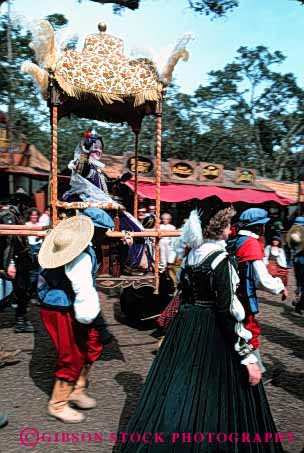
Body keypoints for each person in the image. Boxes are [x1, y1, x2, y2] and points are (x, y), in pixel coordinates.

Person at [120, 207, 283, 453]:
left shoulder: (192, 256)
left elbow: (183, 294)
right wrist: (248, 356)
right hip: (213, 328)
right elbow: (229, 310)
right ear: (219, 228)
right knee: (216, 389)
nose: (231, 229)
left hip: (186, 326)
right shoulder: (221, 260)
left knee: (181, 383)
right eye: (228, 225)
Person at [38, 214, 113, 423]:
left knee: (91, 345)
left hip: (64, 305)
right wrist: (99, 324)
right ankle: (58, 404)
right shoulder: (82, 255)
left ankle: (77, 389)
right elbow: (83, 291)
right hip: (62, 308)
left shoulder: (77, 248)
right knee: (71, 353)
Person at [229, 208, 288, 366]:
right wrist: (280, 286)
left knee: (237, 332)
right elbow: (261, 279)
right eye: (262, 225)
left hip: (231, 295)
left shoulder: (234, 240)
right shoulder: (251, 244)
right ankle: (254, 375)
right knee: (248, 333)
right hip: (243, 298)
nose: (264, 228)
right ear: (256, 227)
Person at [0, 194, 35, 333]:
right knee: (20, 291)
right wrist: (11, 263)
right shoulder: (8, 216)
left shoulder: (15, 215)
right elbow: (10, 241)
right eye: (25, 205)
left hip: (22, 260)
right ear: (20, 204)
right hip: (16, 260)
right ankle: (20, 322)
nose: (27, 208)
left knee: (24, 290)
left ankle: (21, 318)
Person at [286, 220, 304, 315]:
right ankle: (299, 303)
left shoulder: (293, 232)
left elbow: (288, 247)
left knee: (299, 282)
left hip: (296, 261)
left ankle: (298, 300)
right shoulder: (299, 233)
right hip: (300, 260)